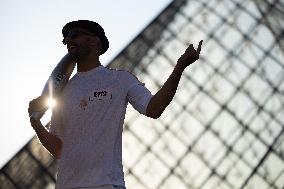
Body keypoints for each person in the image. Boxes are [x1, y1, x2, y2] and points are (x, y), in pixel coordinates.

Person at [28, 20, 203, 189]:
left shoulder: (119, 80)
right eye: (65, 39)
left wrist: (180, 67)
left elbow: (154, 108)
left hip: (105, 183)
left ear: (94, 41)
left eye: (74, 35)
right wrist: (36, 123)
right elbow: (59, 149)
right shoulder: (61, 93)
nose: (68, 41)